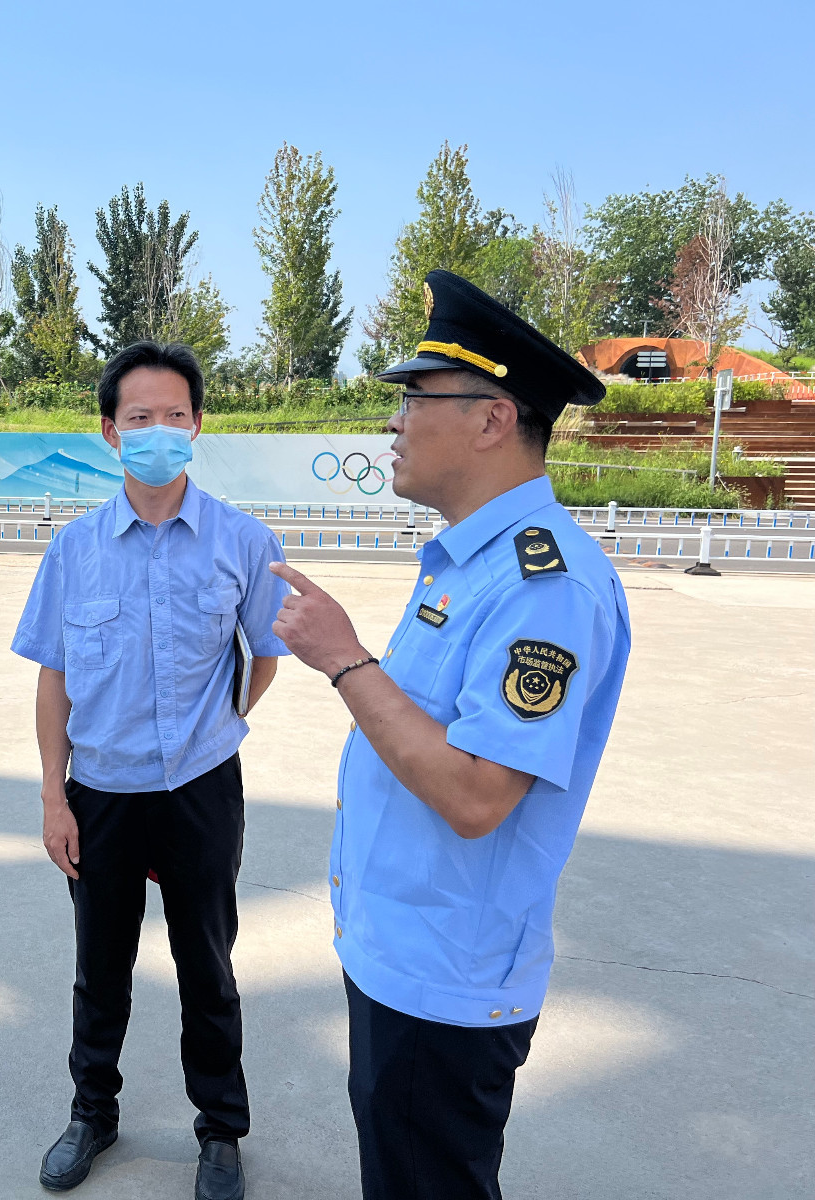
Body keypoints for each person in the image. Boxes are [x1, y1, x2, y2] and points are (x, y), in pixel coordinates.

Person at [268, 270, 631, 1200]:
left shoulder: (545, 588)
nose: (393, 423)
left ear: (492, 419)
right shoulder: (471, 562)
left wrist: (344, 658)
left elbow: (476, 796)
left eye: (414, 398)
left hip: (447, 976)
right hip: (403, 951)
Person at [11, 341, 292, 1200]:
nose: (158, 431)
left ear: (198, 425)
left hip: (201, 788)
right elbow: (54, 679)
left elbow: (265, 651)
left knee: (207, 966)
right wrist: (54, 797)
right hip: (100, 792)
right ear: (110, 431)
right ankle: (92, 1113)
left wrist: (222, 723)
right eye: (140, 418)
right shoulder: (75, 550)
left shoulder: (243, 541)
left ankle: (221, 1130)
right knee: (100, 968)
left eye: (175, 415)